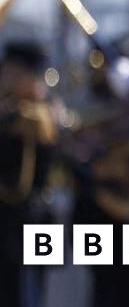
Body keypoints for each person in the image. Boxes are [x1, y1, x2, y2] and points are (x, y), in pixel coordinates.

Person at [0, 41, 59, 307]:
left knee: (28, 294)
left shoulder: (38, 113)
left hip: (31, 217)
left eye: (14, 73)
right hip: (11, 220)